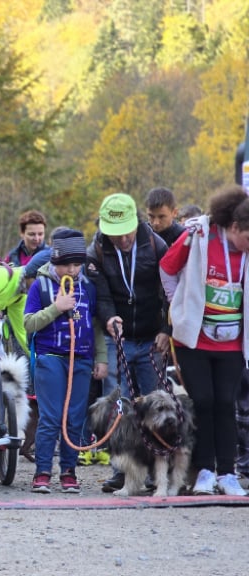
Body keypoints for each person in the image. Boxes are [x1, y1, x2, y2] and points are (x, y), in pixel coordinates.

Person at [159, 185, 249, 496]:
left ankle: (228, 472)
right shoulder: (198, 236)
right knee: (204, 403)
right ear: (234, 227)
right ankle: (205, 472)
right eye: (247, 238)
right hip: (194, 341)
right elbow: (167, 268)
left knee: (226, 404)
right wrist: (178, 307)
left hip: (233, 342)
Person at [85, 193, 170, 492]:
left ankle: (152, 471)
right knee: (116, 404)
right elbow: (102, 295)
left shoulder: (156, 245)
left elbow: (168, 291)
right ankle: (121, 469)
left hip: (150, 338)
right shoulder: (96, 250)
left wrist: (165, 329)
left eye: (126, 233)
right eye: (114, 234)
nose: (121, 239)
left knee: (154, 404)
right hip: (117, 336)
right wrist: (109, 318)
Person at [24, 228, 108, 494]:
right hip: (50, 358)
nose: (72, 270)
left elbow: (95, 326)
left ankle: (69, 472)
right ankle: (43, 471)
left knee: (74, 417)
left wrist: (101, 358)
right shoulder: (41, 285)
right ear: (55, 262)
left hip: (81, 359)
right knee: (50, 417)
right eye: (66, 265)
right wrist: (56, 308)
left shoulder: (88, 288)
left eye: (76, 264)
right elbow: (28, 323)